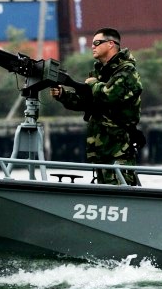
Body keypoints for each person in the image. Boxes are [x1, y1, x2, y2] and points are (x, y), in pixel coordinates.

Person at [50, 27, 143, 185]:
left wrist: (93, 84)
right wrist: (63, 95)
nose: (92, 46)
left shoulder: (127, 71)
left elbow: (109, 95)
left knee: (120, 194)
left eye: (97, 43)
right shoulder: (99, 72)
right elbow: (87, 103)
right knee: (105, 193)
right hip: (101, 150)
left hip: (118, 150)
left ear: (111, 44)